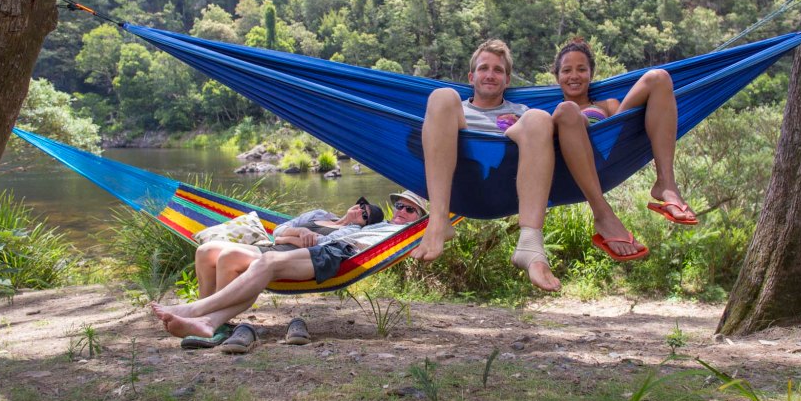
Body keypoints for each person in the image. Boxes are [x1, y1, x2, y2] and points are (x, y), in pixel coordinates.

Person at [151, 191, 428, 344]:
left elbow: (444, 234)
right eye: (400, 206)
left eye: (410, 209)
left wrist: (436, 220)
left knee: (266, 261)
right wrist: (291, 236)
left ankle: (196, 311)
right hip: (321, 249)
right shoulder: (382, 224)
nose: (402, 211)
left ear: (420, 218)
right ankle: (208, 323)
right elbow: (288, 232)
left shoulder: (410, 233)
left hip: (337, 255)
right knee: (237, 256)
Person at [410, 39, 560, 291]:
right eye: (483, 68)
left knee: (540, 117)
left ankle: (531, 243)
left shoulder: (521, 111)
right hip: (458, 183)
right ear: (471, 76)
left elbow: (540, 144)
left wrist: (516, 124)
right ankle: (438, 221)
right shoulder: (453, 109)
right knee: (441, 95)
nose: (490, 74)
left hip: (506, 183)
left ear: (507, 80)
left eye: (498, 70)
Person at [551, 38, 696, 261]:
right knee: (567, 110)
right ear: (557, 77)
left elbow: (622, 130)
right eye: (566, 70)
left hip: (610, 154)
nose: (574, 76)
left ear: (591, 74)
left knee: (659, 77)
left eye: (582, 69)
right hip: (572, 166)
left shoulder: (607, 104)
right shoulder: (557, 112)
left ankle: (666, 183)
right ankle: (602, 214)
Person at [192, 197, 384, 309]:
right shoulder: (319, 214)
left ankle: (215, 319)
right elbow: (278, 230)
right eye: (361, 205)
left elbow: (321, 244)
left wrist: (286, 238)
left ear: (365, 224)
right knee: (205, 251)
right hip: (271, 248)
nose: (359, 210)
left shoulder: (351, 232)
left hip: (285, 259)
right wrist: (299, 232)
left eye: (364, 215)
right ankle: (204, 307)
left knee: (229, 256)